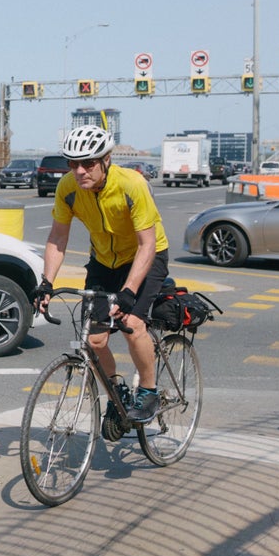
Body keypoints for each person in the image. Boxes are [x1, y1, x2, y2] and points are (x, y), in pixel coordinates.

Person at [33, 126, 170, 422]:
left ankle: (149, 392)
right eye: (73, 164)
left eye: (88, 163)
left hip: (146, 255)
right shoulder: (68, 188)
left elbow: (147, 244)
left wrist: (129, 291)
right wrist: (46, 283)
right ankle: (117, 394)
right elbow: (57, 238)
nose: (80, 171)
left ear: (106, 159)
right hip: (104, 261)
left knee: (132, 323)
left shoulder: (131, 185)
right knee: (94, 341)